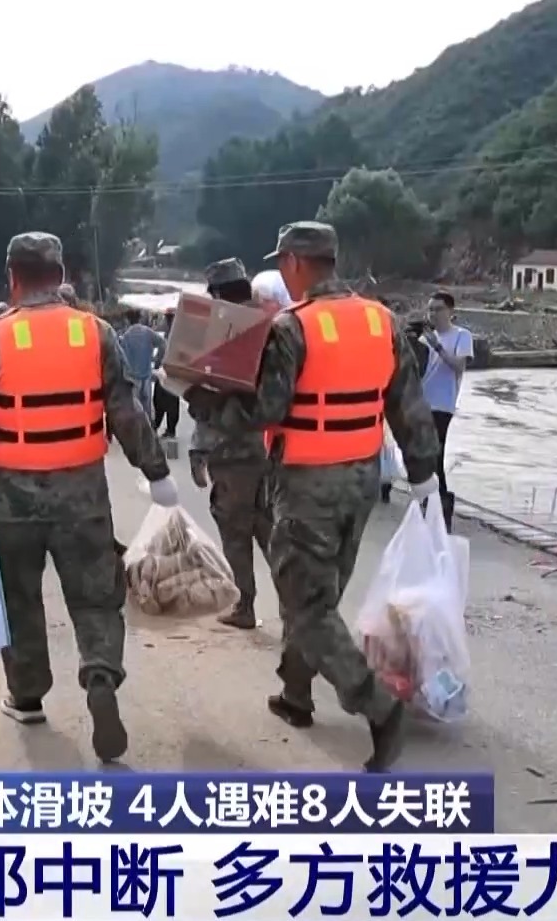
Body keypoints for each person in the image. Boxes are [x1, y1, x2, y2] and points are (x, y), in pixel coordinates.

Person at [184, 220, 442, 772]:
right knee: (317, 596)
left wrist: (201, 399)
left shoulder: (292, 327)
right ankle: (295, 693)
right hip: (362, 479)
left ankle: (380, 708)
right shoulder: (381, 320)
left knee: (307, 607)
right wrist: (424, 475)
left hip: (307, 482)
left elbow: (263, 410)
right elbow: (409, 405)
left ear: (296, 263)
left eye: (282, 262)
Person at [0, 232, 176, 763]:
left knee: (18, 598)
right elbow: (126, 411)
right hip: (82, 495)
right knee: (95, 596)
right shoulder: (95, 333)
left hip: (14, 496)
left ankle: (28, 697)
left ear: (12, 278)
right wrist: (156, 471)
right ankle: (100, 674)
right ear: (61, 276)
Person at [189, 259, 275, 631]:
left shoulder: (225, 332)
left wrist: (198, 449)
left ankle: (245, 606)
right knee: (269, 529)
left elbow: (209, 400)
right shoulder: (273, 325)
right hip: (267, 451)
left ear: (220, 294)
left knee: (236, 532)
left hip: (232, 452)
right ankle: (297, 607)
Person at [419, 290, 473, 529]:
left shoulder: (461, 335)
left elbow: (458, 367)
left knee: (436, 454)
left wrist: (438, 347)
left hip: (443, 405)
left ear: (450, 311)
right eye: (430, 309)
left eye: (438, 309)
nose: (433, 314)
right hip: (420, 402)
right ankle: (431, 502)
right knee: (423, 455)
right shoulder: (424, 340)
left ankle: (442, 504)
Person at [116, 307, 165, 422]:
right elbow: (162, 343)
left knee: (135, 410)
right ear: (140, 318)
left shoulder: (126, 335)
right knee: (146, 409)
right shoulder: (147, 332)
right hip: (146, 376)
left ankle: (137, 429)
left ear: (127, 320)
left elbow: (120, 356)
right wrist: (157, 359)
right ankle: (148, 429)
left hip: (132, 378)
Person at [152, 309, 182, 438]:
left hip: (170, 373)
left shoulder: (175, 336)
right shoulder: (170, 335)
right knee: (163, 401)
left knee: (166, 402)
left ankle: (167, 429)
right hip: (168, 374)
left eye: (169, 318)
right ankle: (163, 427)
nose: (167, 320)